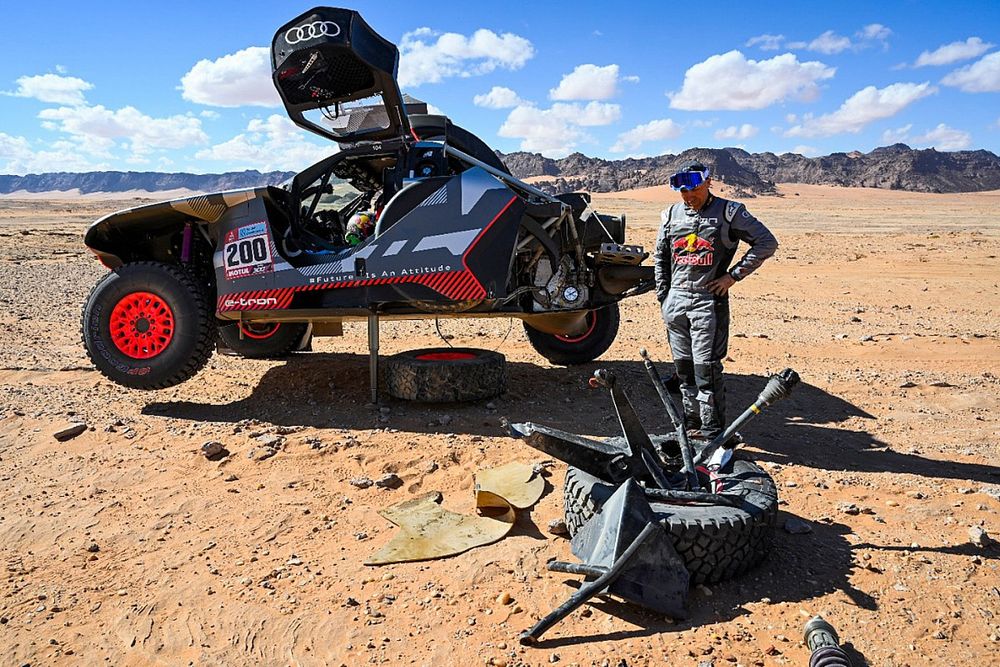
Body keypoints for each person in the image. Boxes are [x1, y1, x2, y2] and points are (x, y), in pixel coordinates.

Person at [654, 161, 778, 438]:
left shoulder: (729, 212)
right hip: (676, 304)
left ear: (709, 182)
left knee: (706, 371)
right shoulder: (671, 215)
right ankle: (690, 425)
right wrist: (664, 295)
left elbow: (766, 243)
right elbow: (661, 257)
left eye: (695, 188)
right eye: (683, 191)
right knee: (683, 371)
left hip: (707, 303)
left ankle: (712, 432)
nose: (689, 196)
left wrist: (732, 276)